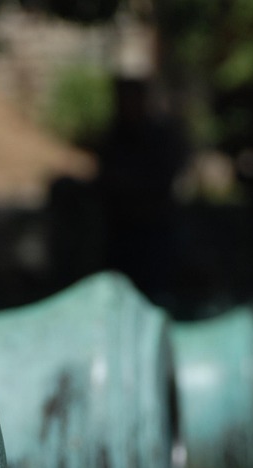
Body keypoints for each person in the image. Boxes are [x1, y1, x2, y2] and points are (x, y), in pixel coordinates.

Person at [95, 77, 190, 304]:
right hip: (122, 229)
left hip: (153, 229)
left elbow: (164, 177)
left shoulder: (158, 136)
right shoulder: (116, 137)